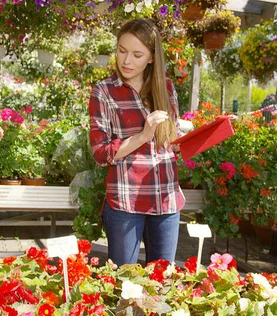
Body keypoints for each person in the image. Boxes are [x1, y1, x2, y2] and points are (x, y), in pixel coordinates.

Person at [88, 18, 185, 267]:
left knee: (162, 284)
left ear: (152, 57)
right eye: (122, 51)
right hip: (125, 200)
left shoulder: (166, 88)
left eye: (137, 54)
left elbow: (170, 144)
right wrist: (142, 136)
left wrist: (193, 138)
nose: (126, 61)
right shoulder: (104, 91)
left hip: (166, 198)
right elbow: (100, 153)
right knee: (124, 286)